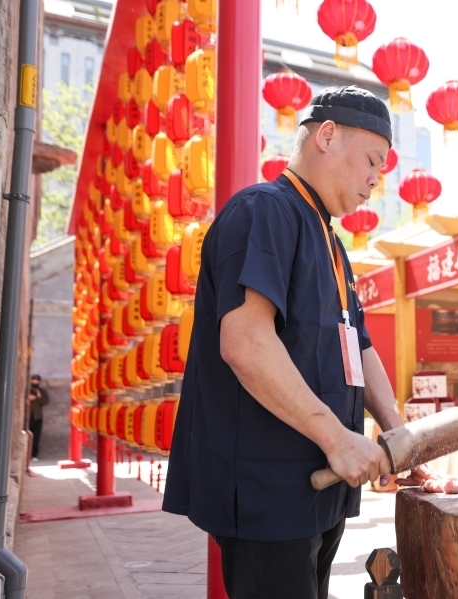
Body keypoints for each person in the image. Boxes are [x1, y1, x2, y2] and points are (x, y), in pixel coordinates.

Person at [163, 86, 413, 599]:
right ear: (326, 135)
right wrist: (338, 438)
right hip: (267, 486)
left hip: (321, 483)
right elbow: (245, 340)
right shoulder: (264, 210)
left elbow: (358, 344)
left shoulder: (332, 242)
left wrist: (399, 434)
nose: (374, 181)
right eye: (371, 160)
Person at [26, 374, 49, 461]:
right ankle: (26, 455)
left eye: (37, 382)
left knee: (36, 437)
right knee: (27, 435)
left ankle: (33, 455)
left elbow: (45, 402)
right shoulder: (26, 390)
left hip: (37, 416)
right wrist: (27, 399)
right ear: (30, 381)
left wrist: (38, 397)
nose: (35, 383)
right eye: (33, 381)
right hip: (27, 417)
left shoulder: (42, 391)